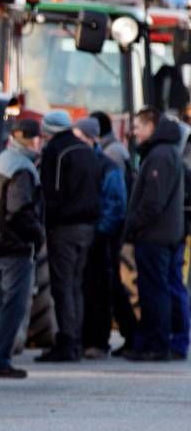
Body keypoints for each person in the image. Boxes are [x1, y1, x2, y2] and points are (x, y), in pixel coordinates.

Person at [0, 118, 47, 378]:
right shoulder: (22, 168)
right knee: (13, 305)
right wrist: (37, 233)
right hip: (15, 245)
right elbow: (18, 209)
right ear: (33, 139)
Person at [36, 109, 101, 362]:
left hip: (64, 228)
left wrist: (46, 224)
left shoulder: (57, 152)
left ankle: (67, 342)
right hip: (88, 228)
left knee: (62, 287)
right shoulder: (87, 151)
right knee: (76, 286)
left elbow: (51, 193)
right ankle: (76, 340)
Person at [123, 109, 186, 362]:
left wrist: (133, 227)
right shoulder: (167, 153)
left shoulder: (159, 156)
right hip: (164, 235)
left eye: (138, 126)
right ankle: (160, 342)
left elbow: (152, 202)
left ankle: (157, 345)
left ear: (151, 126)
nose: (134, 132)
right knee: (163, 289)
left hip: (154, 236)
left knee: (155, 291)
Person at [80, 116, 128, 358]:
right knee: (87, 287)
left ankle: (99, 340)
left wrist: (100, 232)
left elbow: (116, 203)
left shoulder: (108, 165)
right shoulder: (89, 162)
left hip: (102, 236)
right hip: (90, 233)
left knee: (101, 288)